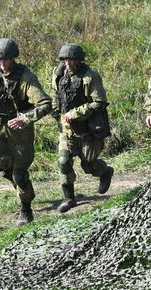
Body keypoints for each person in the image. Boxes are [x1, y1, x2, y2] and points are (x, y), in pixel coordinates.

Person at [0, 37, 52, 229]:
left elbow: (45, 104)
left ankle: (26, 210)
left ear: (13, 58)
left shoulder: (25, 77)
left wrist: (25, 118)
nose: (2, 63)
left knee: (19, 174)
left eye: (5, 59)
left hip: (19, 133)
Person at [51, 43, 114, 213]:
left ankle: (105, 172)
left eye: (71, 59)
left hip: (88, 128)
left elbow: (99, 102)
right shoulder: (58, 75)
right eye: (65, 59)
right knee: (63, 161)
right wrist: (57, 112)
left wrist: (76, 113)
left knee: (88, 165)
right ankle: (69, 198)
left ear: (78, 60)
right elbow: (55, 94)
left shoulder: (90, 77)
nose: (67, 63)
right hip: (67, 129)